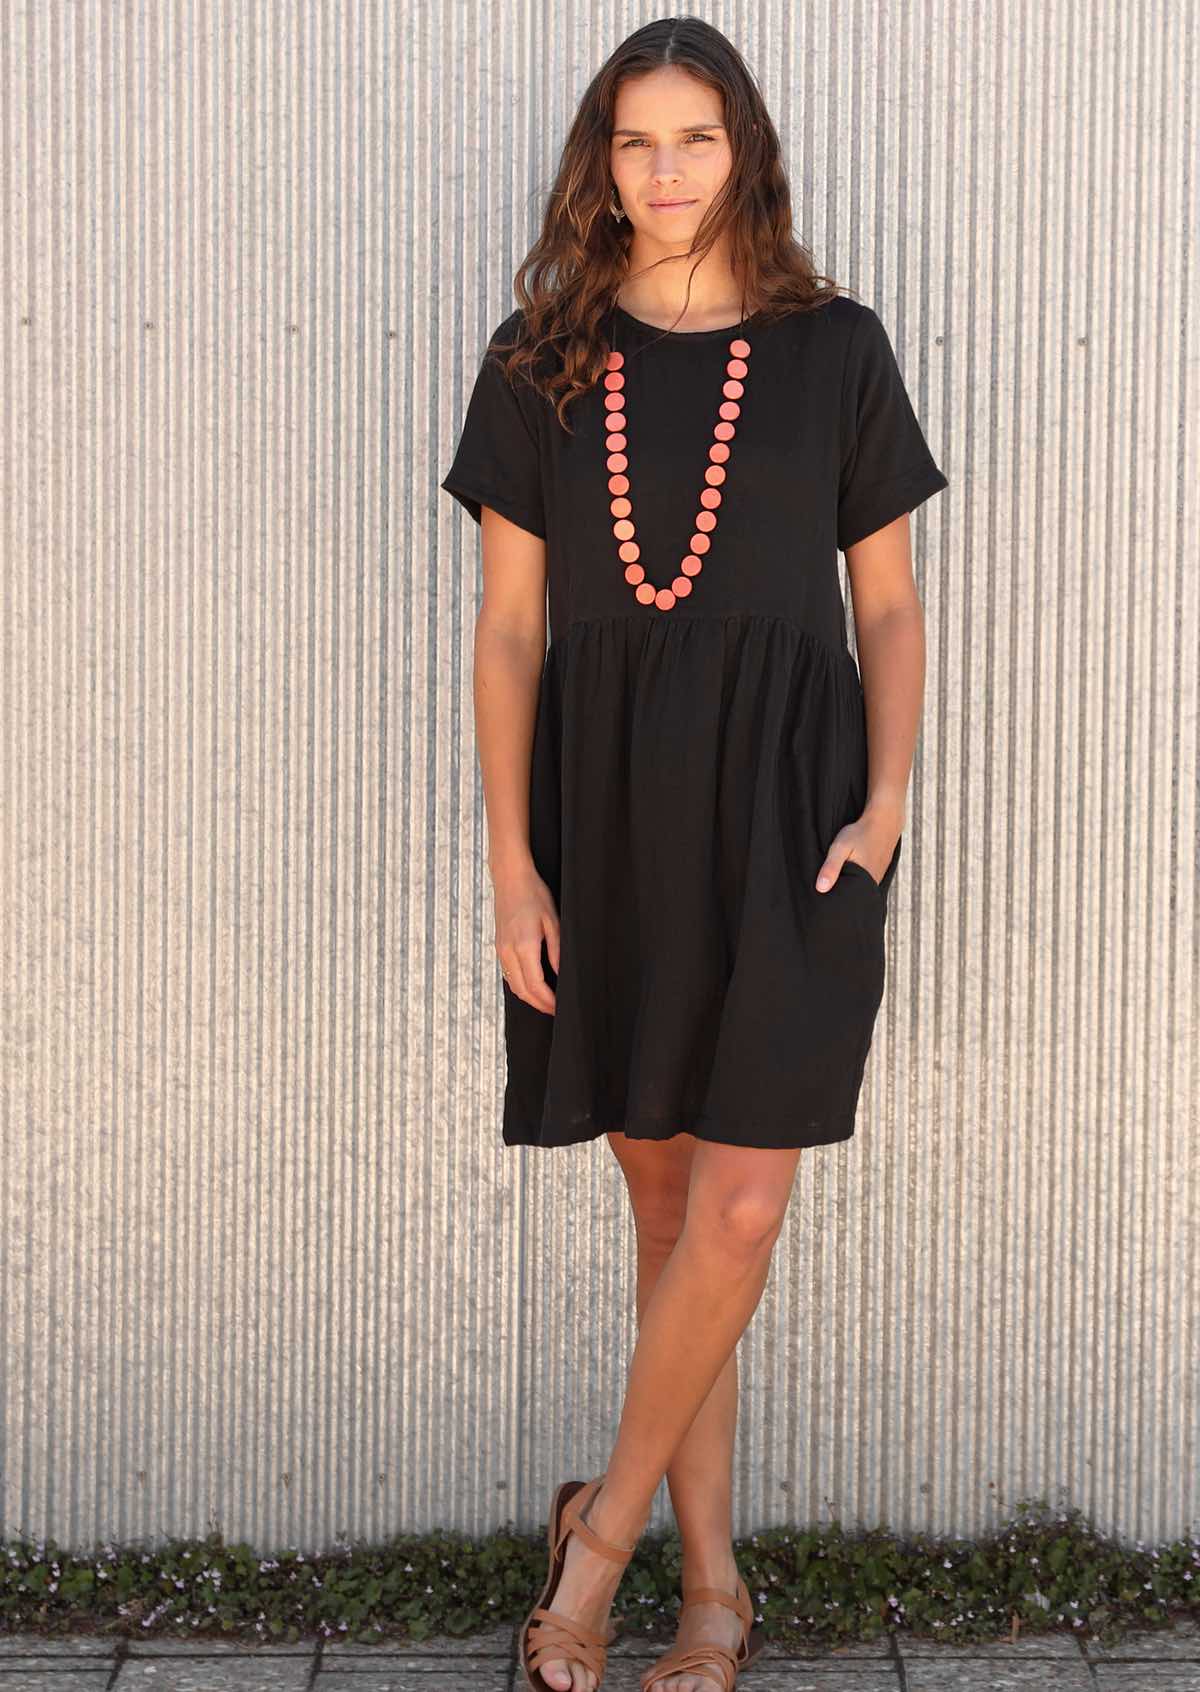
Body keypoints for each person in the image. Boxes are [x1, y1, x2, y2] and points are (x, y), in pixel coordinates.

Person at [440, 18, 948, 1692]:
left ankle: (595, 1552)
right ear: (604, 161)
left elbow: (884, 599)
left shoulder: (836, 350)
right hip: (613, 822)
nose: (666, 174)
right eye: (637, 143)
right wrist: (517, 868)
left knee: (734, 1210)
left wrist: (883, 810)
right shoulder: (539, 359)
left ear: (750, 155)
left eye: (698, 141)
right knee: (670, 1219)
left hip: (797, 820)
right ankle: (713, 1589)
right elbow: (510, 635)